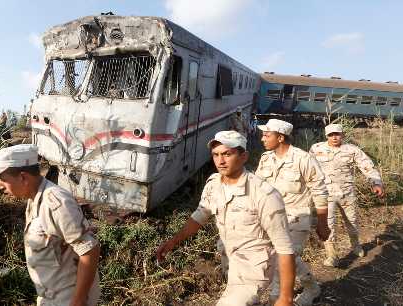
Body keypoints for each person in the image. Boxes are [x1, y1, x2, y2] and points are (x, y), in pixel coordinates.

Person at [156, 130, 296, 306]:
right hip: (230, 261)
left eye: (227, 154)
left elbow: (284, 248)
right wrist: (172, 242)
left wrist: (286, 298)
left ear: (244, 156)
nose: (220, 161)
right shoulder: (214, 184)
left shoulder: (264, 194)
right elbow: (199, 217)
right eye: (216, 155)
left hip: (254, 268)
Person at [0, 144, 101, 306]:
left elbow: (89, 250)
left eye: (3, 179)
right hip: (50, 297)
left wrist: (78, 301)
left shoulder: (56, 203)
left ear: (23, 177)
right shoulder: (34, 199)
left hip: (67, 299)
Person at [256, 119, 329, 306]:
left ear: (280, 138)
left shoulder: (303, 159)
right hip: (270, 219)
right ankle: (312, 287)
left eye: (267, 134)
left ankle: (277, 299)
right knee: (281, 258)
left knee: (283, 260)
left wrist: (322, 223)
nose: (262, 138)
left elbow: (319, 190)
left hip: (297, 218)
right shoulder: (266, 158)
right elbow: (258, 189)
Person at [309, 123, 384, 267]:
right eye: (331, 135)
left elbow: (366, 166)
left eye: (337, 134)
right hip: (325, 194)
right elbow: (308, 168)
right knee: (328, 224)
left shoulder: (352, 150)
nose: (334, 137)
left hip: (346, 193)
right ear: (326, 136)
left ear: (342, 135)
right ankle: (332, 255)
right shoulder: (316, 149)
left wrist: (376, 183)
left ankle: (356, 246)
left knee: (352, 222)